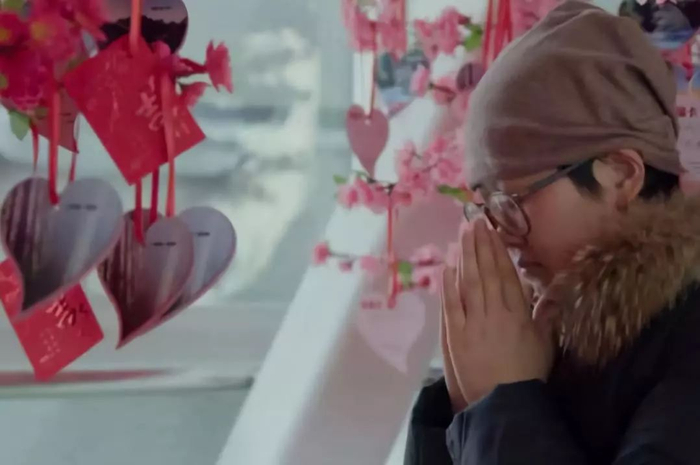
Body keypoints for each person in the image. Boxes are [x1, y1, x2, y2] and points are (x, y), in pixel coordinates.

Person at [404, 1, 700, 464]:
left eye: (513, 201)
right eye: (488, 207)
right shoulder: (547, 337)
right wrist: (458, 405)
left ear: (620, 175)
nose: (502, 234)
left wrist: (499, 404)